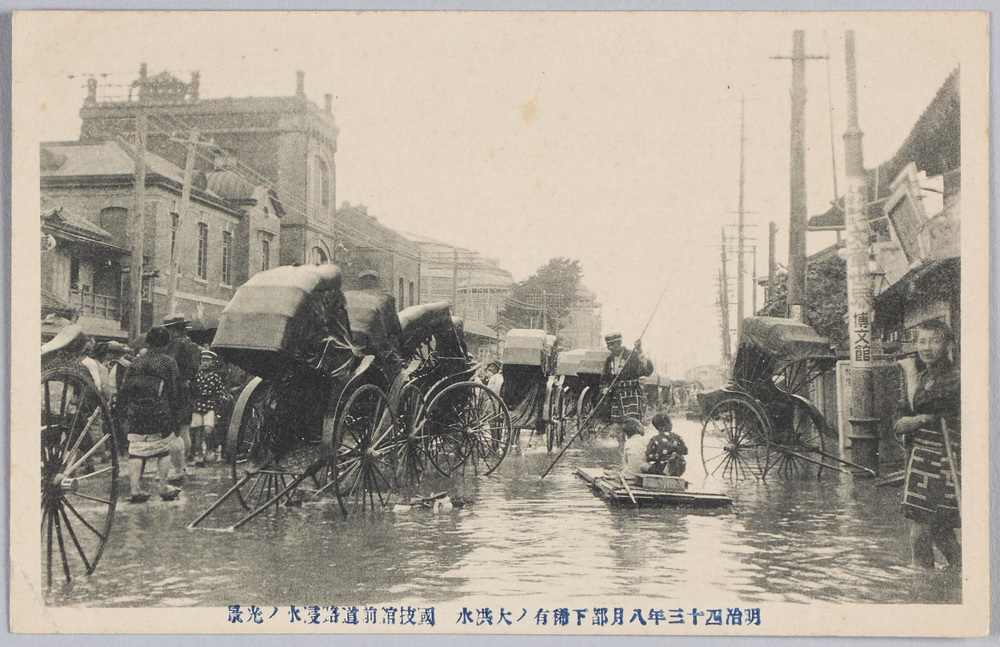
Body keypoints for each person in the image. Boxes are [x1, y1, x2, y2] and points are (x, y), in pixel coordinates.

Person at [894, 319, 961, 570]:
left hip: (944, 462)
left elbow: (924, 403)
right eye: (922, 341)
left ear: (948, 344)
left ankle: (922, 586)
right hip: (919, 462)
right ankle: (952, 581)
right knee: (942, 533)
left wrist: (909, 372)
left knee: (921, 534)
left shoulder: (954, 379)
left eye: (934, 341)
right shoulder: (921, 378)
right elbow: (899, 421)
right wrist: (919, 420)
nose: (926, 347)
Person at [120, 326, 185, 502]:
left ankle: (135, 489)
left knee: (136, 450)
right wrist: (176, 414)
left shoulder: (136, 362)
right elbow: (175, 389)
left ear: (148, 342)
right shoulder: (168, 362)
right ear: (166, 343)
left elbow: (124, 388)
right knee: (163, 450)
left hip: (135, 411)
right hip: (159, 411)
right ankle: (163, 487)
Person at [162, 314, 201, 472]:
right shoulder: (193, 345)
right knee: (185, 428)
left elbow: (169, 366)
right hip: (188, 389)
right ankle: (183, 464)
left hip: (176, 389)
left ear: (173, 329)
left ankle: (178, 466)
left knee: (175, 431)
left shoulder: (176, 345)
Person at [601, 332, 654, 445]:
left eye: (612, 345)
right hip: (617, 395)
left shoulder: (632, 355)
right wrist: (605, 388)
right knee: (617, 426)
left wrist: (640, 351)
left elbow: (647, 370)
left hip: (631, 394)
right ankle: (622, 450)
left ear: (619, 343)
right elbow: (604, 378)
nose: (610, 348)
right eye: (608, 345)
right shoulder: (609, 360)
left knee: (633, 425)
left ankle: (636, 448)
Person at [190, 350, 226, 467]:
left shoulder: (215, 377)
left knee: (208, 429)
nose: (205, 363)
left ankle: (209, 450)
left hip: (210, 405)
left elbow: (220, 393)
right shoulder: (196, 376)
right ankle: (199, 454)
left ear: (212, 362)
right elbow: (192, 391)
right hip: (197, 405)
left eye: (208, 361)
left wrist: (218, 408)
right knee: (196, 430)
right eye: (203, 360)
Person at [645, 412, 688, 477]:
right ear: (669, 424)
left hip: (661, 467)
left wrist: (657, 456)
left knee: (646, 467)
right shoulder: (677, 437)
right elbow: (685, 451)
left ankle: (667, 467)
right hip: (679, 466)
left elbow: (649, 456)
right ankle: (671, 467)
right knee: (676, 460)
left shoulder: (655, 439)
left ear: (658, 427)